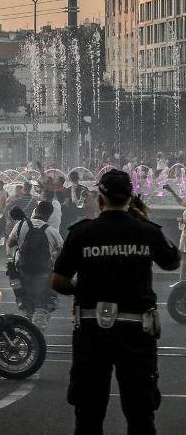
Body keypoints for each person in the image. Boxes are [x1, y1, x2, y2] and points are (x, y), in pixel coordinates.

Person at [52, 169, 181, 435]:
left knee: (88, 415)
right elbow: (172, 261)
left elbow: (58, 281)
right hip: (136, 334)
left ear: (100, 199)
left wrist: (84, 289)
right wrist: (144, 220)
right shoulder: (147, 231)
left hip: (91, 334)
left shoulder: (82, 233)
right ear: (131, 198)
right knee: (140, 414)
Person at [7, 201, 63, 329]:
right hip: (43, 274)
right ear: (49, 215)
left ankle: (27, 335)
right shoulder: (52, 231)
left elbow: (10, 243)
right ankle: (36, 334)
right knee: (42, 305)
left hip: (23, 272)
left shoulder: (20, 225)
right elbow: (62, 252)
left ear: (35, 210)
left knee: (27, 306)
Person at [162, 183, 186, 280]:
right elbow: (180, 201)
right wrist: (171, 190)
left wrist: (182, 220)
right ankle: (181, 281)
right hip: (184, 236)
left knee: (184, 261)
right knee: (183, 261)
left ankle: (182, 281)